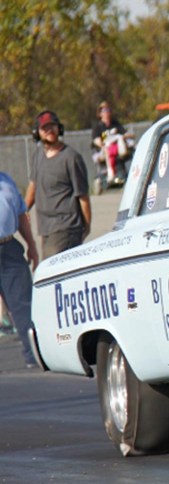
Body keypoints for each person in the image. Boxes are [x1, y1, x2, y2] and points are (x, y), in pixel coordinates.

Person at [25, 110, 92, 259]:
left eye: (52, 126)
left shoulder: (71, 158)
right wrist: (23, 209)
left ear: (59, 128)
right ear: (37, 133)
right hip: (46, 228)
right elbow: (33, 186)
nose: (50, 130)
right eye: (45, 128)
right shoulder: (38, 157)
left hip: (67, 227)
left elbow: (83, 197)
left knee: (50, 271)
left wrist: (86, 227)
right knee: (49, 271)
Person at [0, 169, 39, 367]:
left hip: (9, 248)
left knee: (24, 306)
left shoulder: (6, 180)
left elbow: (21, 214)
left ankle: (33, 356)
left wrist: (31, 244)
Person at [91, 101, 134, 188]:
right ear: (100, 114)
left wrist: (121, 136)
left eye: (109, 110)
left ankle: (130, 173)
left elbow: (126, 134)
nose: (107, 112)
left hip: (117, 149)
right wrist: (103, 144)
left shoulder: (115, 124)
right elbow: (97, 141)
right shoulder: (98, 127)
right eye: (104, 110)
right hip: (103, 150)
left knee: (132, 147)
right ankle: (110, 174)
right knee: (107, 149)